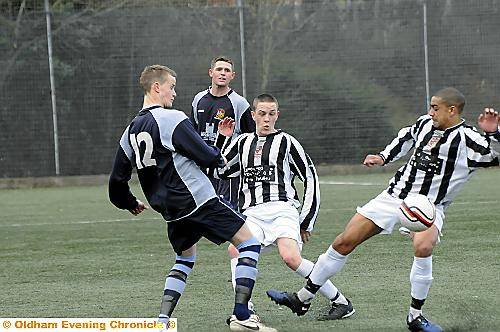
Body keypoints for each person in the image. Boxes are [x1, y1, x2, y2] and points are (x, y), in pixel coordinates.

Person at [266, 87, 500, 332]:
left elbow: (493, 157)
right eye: (430, 107)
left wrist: (494, 133)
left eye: (435, 108)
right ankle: (302, 299)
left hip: (427, 207)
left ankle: (415, 317)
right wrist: (383, 156)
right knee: (344, 242)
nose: (430, 112)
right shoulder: (424, 124)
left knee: (423, 247)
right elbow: (406, 138)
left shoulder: (468, 138)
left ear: (452, 110)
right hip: (393, 197)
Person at [108, 65, 276, 332]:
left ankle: (162, 322)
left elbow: (116, 184)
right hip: (199, 200)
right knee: (250, 244)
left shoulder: (129, 131)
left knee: (184, 260)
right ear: (156, 88)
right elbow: (207, 157)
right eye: (171, 87)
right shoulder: (170, 119)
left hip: (172, 212)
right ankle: (242, 317)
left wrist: (130, 202)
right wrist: (220, 145)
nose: (174, 93)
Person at [216, 93, 354, 321]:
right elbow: (221, 169)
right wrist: (223, 139)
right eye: (261, 114)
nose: (266, 118)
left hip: (282, 209)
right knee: (234, 249)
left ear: (277, 115)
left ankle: (340, 301)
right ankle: (245, 309)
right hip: (253, 212)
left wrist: (306, 219)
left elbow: (309, 177)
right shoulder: (242, 142)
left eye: (271, 114)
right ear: (253, 115)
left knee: (291, 257)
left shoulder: (287, 142)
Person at [191, 56, 255, 207]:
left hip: (227, 171)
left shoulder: (239, 103)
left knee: (228, 212)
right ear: (210, 72)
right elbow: (193, 133)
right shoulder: (198, 99)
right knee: (204, 213)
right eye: (219, 69)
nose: (223, 73)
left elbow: (250, 137)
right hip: (203, 169)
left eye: (227, 70)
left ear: (232, 76)